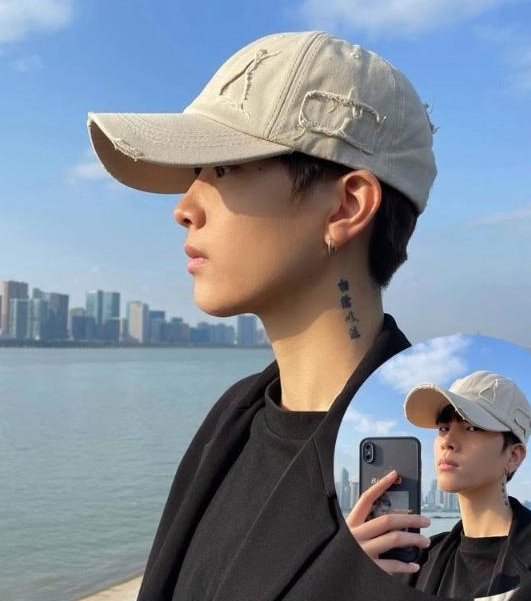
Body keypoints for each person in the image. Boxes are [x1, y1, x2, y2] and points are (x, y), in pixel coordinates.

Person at [87, 30, 441, 601]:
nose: (184, 208)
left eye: (224, 168)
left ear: (347, 205)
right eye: (195, 173)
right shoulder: (234, 418)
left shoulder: (434, 473)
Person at [349, 370, 531, 600]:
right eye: (443, 428)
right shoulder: (416, 561)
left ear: (513, 456)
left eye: (472, 427)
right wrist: (350, 571)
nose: (448, 441)